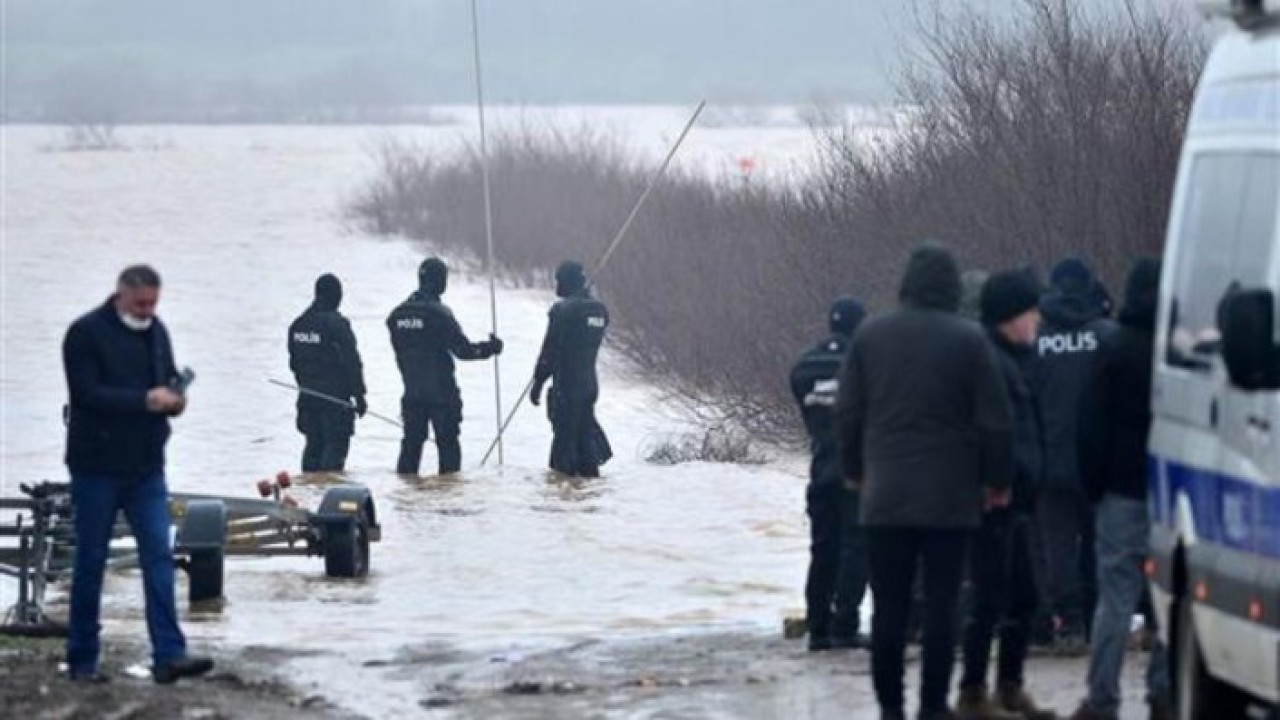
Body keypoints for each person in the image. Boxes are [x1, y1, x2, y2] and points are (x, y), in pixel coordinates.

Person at [837, 244, 1015, 720]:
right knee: (941, 607)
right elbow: (996, 423)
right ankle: (933, 707)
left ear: (906, 285)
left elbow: (848, 415)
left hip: (884, 497)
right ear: (952, 287)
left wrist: (854, 471)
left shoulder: (871, 336)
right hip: (950, 499)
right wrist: (997, 481)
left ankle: (890, 708)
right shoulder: (970, 340)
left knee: (889, 609)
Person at [62, 265, 213, 684]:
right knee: (90, 561)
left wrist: (175, 400)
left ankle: (169, 654)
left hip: (147, 467)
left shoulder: (157, 330)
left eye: (153, 303)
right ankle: (82, 660)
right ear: (121, 295)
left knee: (159, 558)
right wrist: (148, 400)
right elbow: (86, 394)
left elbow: (166, 381)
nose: (148, 310)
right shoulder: (86, 333)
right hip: (95, 468)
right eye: (141, 303)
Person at [1070, 259, 1170, 720]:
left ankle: (1103, 696)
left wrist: (1093, 488)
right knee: (1172, 599)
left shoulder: (1112, 350)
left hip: (1120, 493)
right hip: (1174, 494)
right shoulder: (1177, 351)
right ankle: (1164, 689)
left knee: (1114, 598)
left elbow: (1088, 428)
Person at [957, 270, 1056, 720]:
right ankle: (974, 693)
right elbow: (984, 432)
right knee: (989, 600)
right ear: (1007, 317)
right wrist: (991, 484)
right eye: (1029, 311)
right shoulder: (989, 361)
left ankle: (1010, 688)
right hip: (992, 503)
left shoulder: (1019, 359)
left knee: (1025, 598)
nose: (1037, 319)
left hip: (1018, 502)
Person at [1033, 258, 1116, 653]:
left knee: (1058, 546)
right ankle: (1101, 620)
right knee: (1100, 543)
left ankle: (1069, 625)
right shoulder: (1107, 335)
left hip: (1050, 463)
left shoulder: (1036, 339)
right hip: (1100, 463)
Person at [790, 297, 870, 652]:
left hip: (820, 469)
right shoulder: (867, 362)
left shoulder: (805, 365)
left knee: (822, 549)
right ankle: (845, 624)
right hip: (859, 471)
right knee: (856, 547)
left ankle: (818, 625)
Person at [387, 257, 503, 476]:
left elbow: (400, 354)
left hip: (412, 393)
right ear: (440, 281)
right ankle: (448, 501)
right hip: (442, 393)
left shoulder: (396, 316)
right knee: (448, 447)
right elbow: (464, 351)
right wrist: (490, 348)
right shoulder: (439, 314)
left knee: (410, 447)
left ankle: (405, 502)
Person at [530, 261, 611, 478]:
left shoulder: (563, 310)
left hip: (567, 387)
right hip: (589, 386)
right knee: (585, 442)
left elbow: (550, 350)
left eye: (558, 279)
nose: (555, 284)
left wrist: (538, 383)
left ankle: (562, 501)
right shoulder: (600, 311)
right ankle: (588, 496)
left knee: (563, 449)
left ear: (567, 280)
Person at [288, 273, 367, 473]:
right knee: (334, 452)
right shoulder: (337, 324)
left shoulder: (298, 325)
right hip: (335, 402)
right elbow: (352, 362)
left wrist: (306, 386)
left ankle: (309, 496)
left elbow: (294, 364)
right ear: (334, 295)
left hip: (307, 398)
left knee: (312, 447)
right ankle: (327, 497)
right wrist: (359, 395)